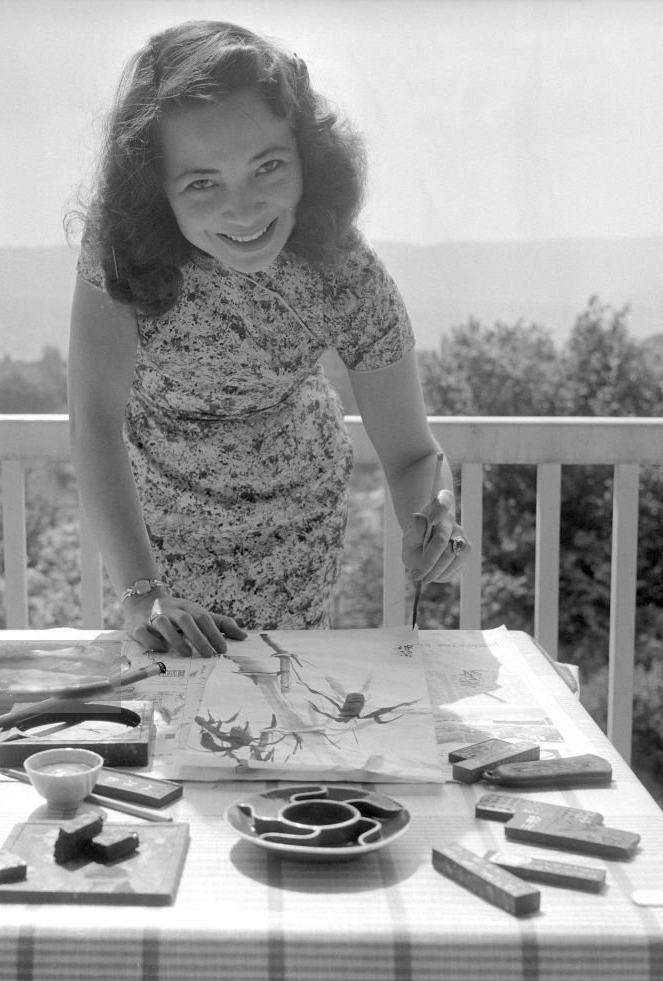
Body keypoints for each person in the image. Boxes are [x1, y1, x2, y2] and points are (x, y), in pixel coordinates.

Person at [67, 20, 470, 657]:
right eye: (203, 182)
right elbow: (94, 419)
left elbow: (414, 456)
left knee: (285, 695)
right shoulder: (122, 248)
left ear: (308, 157)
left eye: (268, 166)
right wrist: (142, 591)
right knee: (160, 696)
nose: (245, 208)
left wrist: (433, 514)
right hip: (150, 536)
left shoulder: (346, 272)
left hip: (297, 534)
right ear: (155, 191)